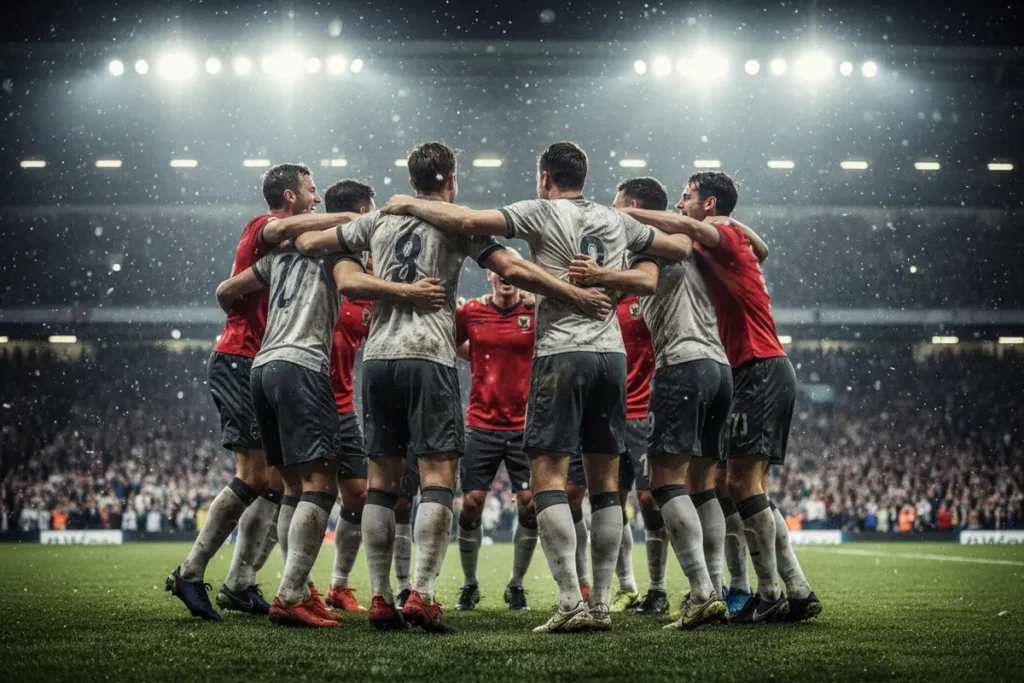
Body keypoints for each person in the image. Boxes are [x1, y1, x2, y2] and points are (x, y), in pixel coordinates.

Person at [297, 141, 611, 634]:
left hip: (378, 361)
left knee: (381, 485)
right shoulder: (455, 221)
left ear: (412, 177)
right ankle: (422, 593)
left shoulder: (377, 221)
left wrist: (342, 250)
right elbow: (511, 268)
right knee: (437, 481)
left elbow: (313, 245)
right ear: (452, 180)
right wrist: (570, 291)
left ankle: (381, 597)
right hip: (429, 357)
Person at [382, 141, 693, 633]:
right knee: (605, 486)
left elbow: (466, 223)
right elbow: (679, 248)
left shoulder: (540, 211)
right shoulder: (617, 221)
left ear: (545, 176)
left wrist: (407, 203)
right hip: (611, 355)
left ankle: (570, 599)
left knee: (548, 478)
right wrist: (616, 274)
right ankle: (603, 605)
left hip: (561, 353)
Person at [624, 171, 820, 624]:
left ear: (710, 205)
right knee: (737, 486)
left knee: (742, 485)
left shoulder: (721, 234)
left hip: (758, 364)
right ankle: (792, 587)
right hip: (746, 368)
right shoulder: (730, 237)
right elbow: (762, 249)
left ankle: (772, 590)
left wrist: (626, 215)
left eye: (687, 197)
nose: (680, 204)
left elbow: (697, 230)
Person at [166, 163, 356, 621]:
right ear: (289, 196)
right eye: (311, 191)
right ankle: (190, 571)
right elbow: (286, 230)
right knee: (255, 476)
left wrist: (230, 293)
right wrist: (349, 218)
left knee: (274, 482)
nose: (316, 198)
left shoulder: (283, 252)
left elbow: (228, 288)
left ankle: (240, 582)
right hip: (241, 358)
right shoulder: (265, 226)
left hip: (258, 360)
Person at [570, 176, 730, 629]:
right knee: (702, 487)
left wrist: (597, 274)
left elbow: (636, 280)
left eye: (617, 204)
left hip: (681, 364)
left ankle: (700, 590)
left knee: (664, 485)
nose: (610, 209)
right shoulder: (704, 243)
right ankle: (713, 588)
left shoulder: (663, 242)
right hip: (718, 369)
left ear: (633, 207)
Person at [453, 261, 539, 613]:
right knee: (472, 502)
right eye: (498, 272)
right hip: (481, 423)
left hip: (523, 424)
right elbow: (456, 343)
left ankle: (517, 584)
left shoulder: (535, 312)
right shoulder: (472, 311)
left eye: (512, 272)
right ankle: (470, 584)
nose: (505, 278)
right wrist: (480, 358)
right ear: (490, 276)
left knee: (529, 504)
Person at [317, 180, 378, 614]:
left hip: (342, 402)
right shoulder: (317, 260)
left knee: (357, 493)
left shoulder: (364, 281)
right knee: (303, 492)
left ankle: (339, 585)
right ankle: (295, 585)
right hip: (306, 396)